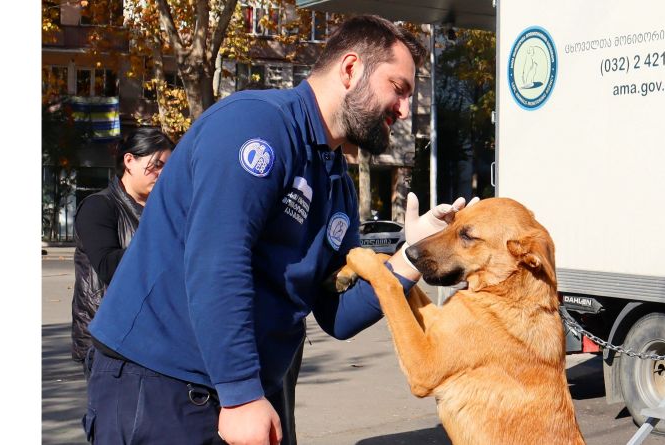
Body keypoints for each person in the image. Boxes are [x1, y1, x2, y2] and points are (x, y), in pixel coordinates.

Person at [85, 15, 471, 445]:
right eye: (397, 88)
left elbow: (337, 315)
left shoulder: (336, 184)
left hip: (243, 392)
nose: (402, 110)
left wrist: (412, 256)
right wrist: (241, 395)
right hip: (162, 385)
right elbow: (217, 261)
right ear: (350, 69)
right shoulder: (255, 126)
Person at [70, 127, 174, 378]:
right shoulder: (99, 207)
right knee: (118, 417)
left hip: (156, 337)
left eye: (166, 168)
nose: (162, 174)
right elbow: (108, 266)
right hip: (108, 341)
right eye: (156, 165)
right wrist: (163, 235)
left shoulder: (164, 208)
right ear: (129, 161)